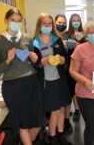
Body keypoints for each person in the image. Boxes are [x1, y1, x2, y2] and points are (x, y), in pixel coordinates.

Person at [0, 9, 43, 145]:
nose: (16, 23)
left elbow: (31, 62)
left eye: (19, 21)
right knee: (21, 121)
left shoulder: (27, 38)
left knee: (38, 119)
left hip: (31, 82)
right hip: (12, 86)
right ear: (6, 21)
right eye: (13, 20)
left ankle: (28, 140)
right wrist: (7, 60)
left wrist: (35, 58)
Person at [33, 13, 72, 145]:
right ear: (39, 25)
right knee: (55, 110)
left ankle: (61, 136)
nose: (47, 26)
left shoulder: (57, 40)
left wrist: (62, 60)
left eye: (50, 23)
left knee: (61, 109)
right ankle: (52, 138)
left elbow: (65, 56)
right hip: (46, 82)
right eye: (44, 23)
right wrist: (40, 64)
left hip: (59, 79)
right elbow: (32, 65)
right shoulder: (34, 43)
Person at [54, 14, 75, 133]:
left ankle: (67, 120)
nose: (61, 25)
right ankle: (57, 123)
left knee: (68, 98)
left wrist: (73, 45)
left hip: (69, 71)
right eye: (59, 22)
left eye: (63, 23)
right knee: (59, 99)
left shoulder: (68, 37)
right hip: (57, 72)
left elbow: (73, 54)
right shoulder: (52, 38)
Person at [66, 13, 85, 122]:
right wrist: (71, 42)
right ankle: (77, 110)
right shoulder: (67, 34)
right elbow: (65, 50)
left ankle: (83, 108)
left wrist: (84, 39)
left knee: (82, 86)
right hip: (72, 64)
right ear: (70, 22)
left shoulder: (84, 34)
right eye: (74, 20)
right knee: (73, 89)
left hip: (83, 65)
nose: (76, 22)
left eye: (78, 20)